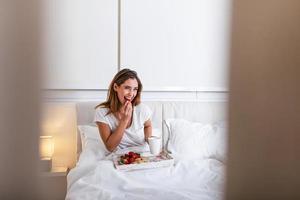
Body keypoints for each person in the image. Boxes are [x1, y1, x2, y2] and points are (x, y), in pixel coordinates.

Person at [94, 68, 152, 152]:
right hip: (118, 157)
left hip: (142, 156)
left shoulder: (142, 109)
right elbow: (110, 147)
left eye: (135, 89)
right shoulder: (102, 112)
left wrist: (150, 141)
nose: (131, 94)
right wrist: (124, 120)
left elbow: (148, 126)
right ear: (115, 87)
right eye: (127, 88)